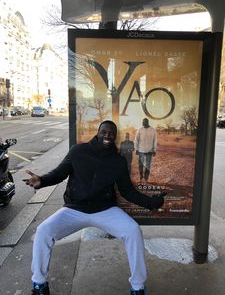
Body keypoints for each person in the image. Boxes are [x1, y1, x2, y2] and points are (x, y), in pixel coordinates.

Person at [23, 120, 165, 295]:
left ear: (115, 136)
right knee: (43, 231)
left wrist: (151, 203)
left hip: (105, 210)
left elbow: (127, 191)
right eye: (104, 131)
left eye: (111, 133)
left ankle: (138, 286)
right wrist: (42, 180)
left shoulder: (118, 161)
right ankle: (39, 284)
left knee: (133, 231)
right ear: (98, 132)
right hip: (75, 209)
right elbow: (59, 173)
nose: (107, 135)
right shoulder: (78, 151)